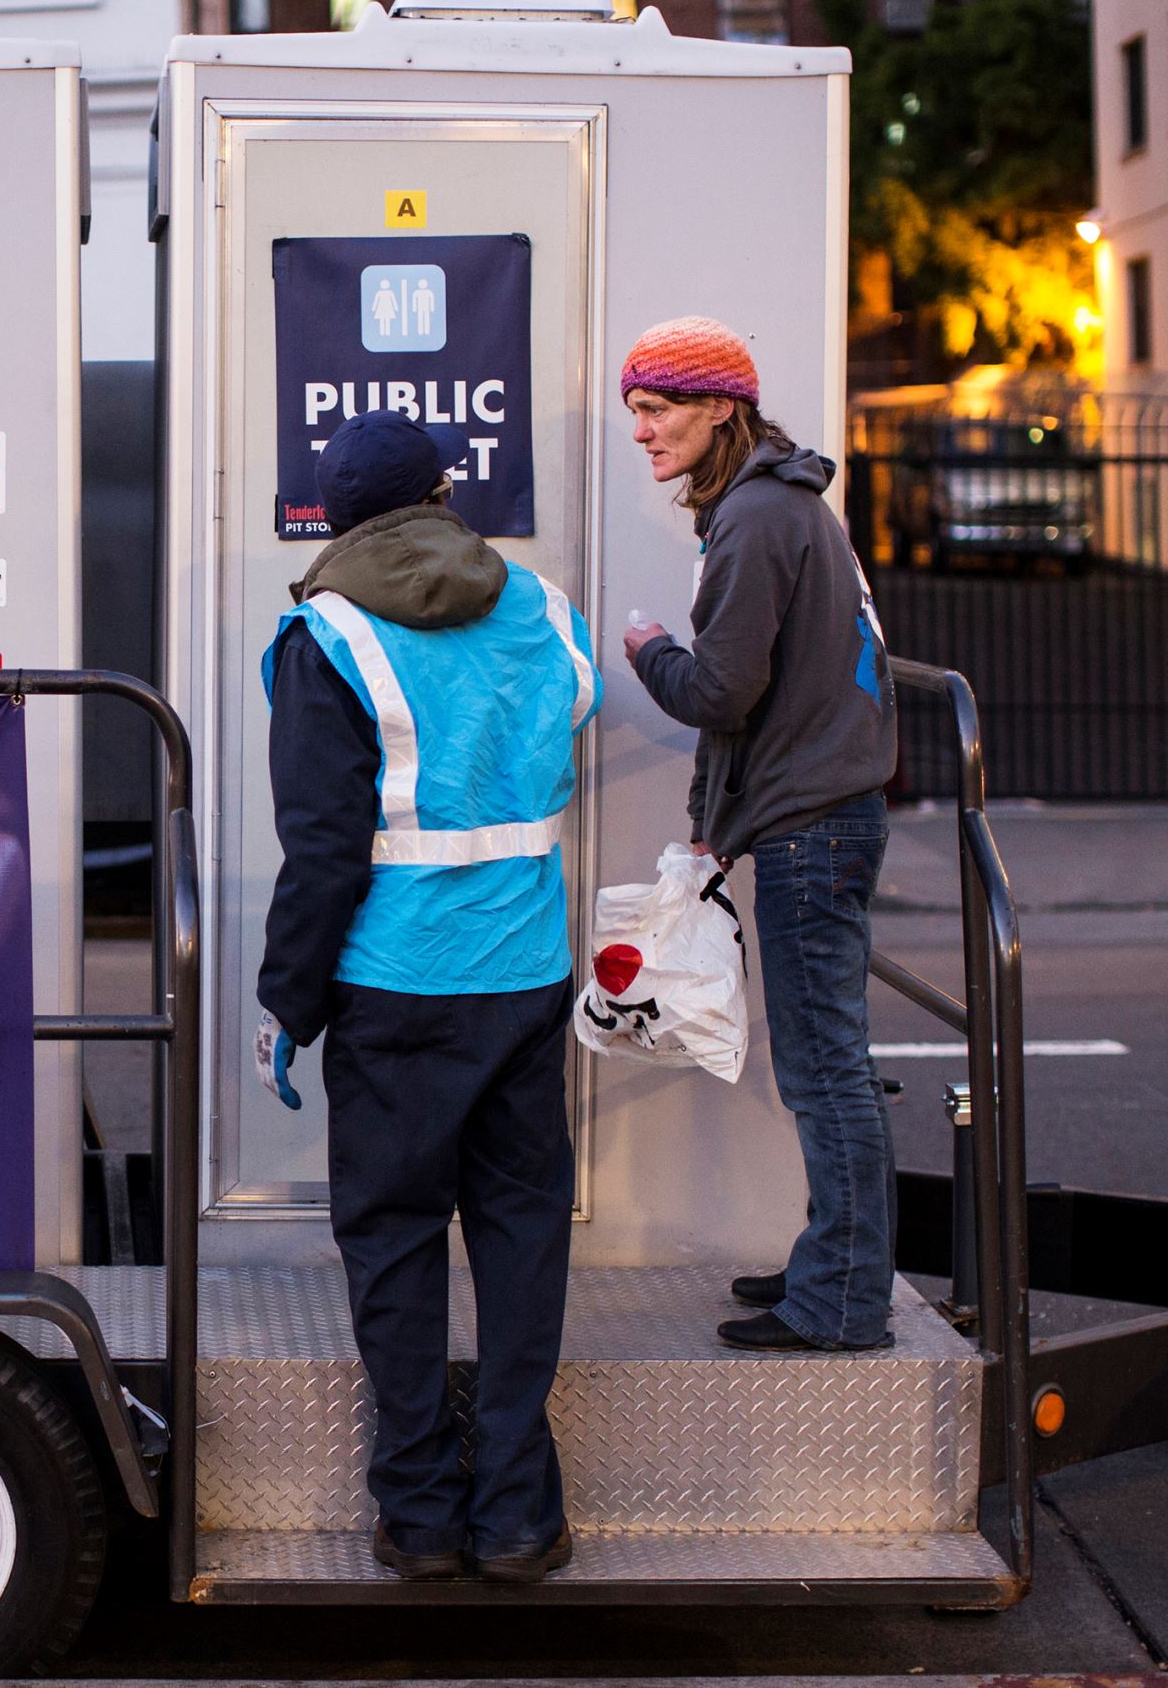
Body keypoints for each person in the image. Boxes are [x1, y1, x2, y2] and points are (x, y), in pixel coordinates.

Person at [254, 408, 600, 1581]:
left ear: (336, 513)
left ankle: (417, 1513)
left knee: (395, 1240)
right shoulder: (541, 606)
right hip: (523, 976)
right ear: (447, 492)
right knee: (518, 1234)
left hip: (393, 986)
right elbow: (576, 708)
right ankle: (515, 1514)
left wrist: (284, 1004)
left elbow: (321, 849)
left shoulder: (325, 633)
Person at [613, 315, 901, 1353]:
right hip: (815, 818)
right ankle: (838, 1259)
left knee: (825, 1069)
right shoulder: (783, 506)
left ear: (718, 409)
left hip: (809, 830)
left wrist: (645, 649)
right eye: (633, 410)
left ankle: (839, 1300)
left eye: (656, 408)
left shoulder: (753, 520)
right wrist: (711, 827)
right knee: (826, 1063)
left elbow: (723, 691)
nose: (640, 430)